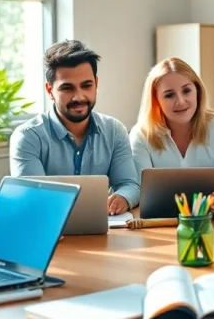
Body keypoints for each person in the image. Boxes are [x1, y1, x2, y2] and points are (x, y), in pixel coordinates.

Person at [9, 40, 139, 214]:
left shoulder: (115, 131)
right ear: (50, 91)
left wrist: (123, 198)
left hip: (104, 229)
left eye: (86, 86)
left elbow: (129, 184)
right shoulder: (28, 137)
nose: (79, 97)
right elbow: (33, 198)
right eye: (67, 88)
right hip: (50, 231)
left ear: (96, 84)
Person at [130, 58, 214, 218]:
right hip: (161, 227)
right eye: (169, 95)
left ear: (197, 90)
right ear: (156, 101)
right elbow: (140, 191)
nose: (181, 101)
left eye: (186, 91)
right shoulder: (141, 135)